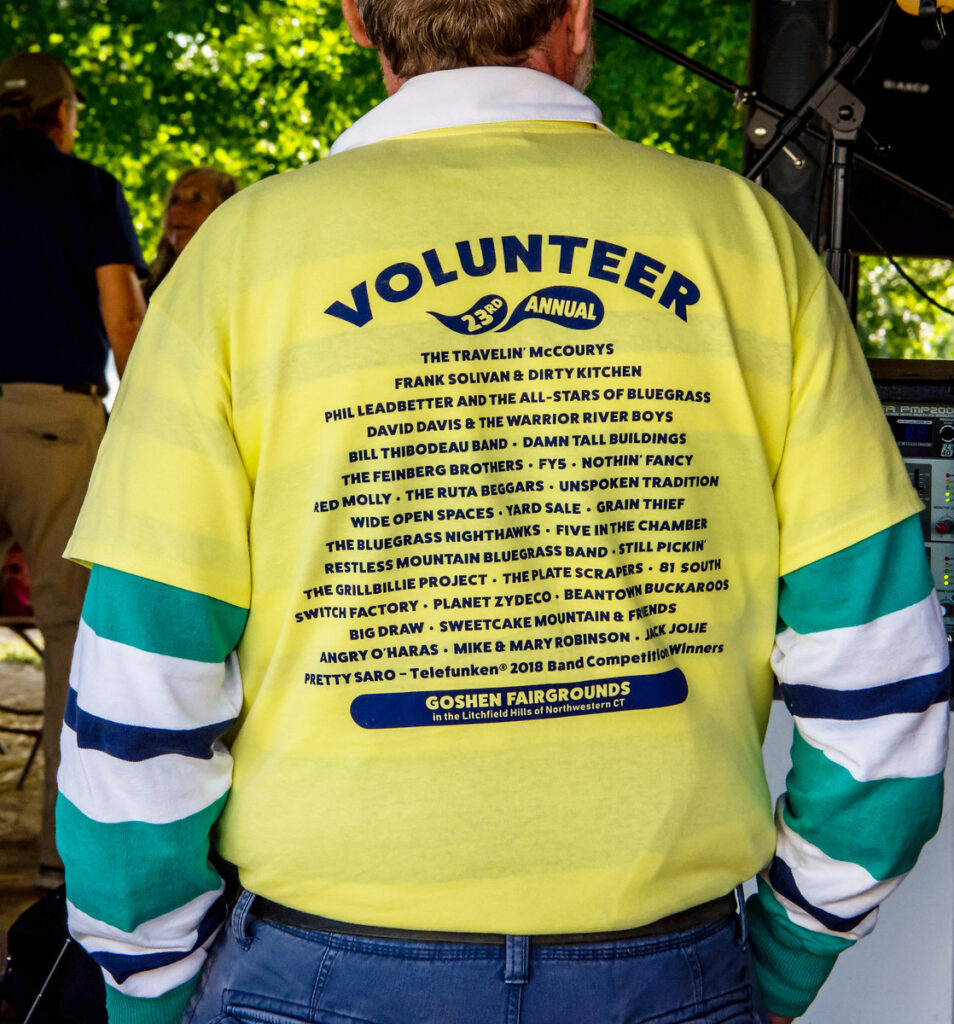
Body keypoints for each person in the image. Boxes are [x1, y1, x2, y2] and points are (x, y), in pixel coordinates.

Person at [58, 2, 949, 1023]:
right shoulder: (747, 245)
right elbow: (882, 682)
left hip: (315, 976)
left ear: (357, 18)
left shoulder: (238, 260)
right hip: (664, 970)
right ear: (574, 18)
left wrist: (152, 987)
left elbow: (141, 696)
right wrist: (787, 958)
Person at [0, 50, 146, 890]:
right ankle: (62, 853)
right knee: (66, 631)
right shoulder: (85, 187)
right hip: (54, 419)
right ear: (60, 115)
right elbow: (123, 316)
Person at [141, 167, 239, 301]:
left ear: (226, 211)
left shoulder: (242, 284)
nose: (178, 208)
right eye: (174, 200)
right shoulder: (146, 288)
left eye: (196, 199)